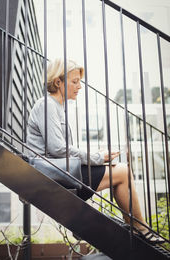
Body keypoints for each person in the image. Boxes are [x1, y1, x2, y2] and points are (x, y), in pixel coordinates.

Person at [27, 59, 164, 244]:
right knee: (122, 171)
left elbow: (60, 149)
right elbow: (57, 149)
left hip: (59, 170)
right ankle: (140, 228)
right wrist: (95, 157)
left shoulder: (57, 107)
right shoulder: (47, 104)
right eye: (74, 81)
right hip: (51, 174)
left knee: (121, 169)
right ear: (58, 82)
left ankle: (136, 226)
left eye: (79, 81)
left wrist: (94, 156)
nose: (79, 86)